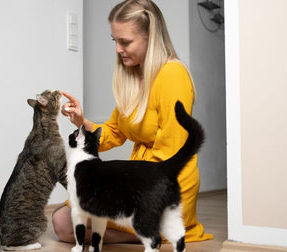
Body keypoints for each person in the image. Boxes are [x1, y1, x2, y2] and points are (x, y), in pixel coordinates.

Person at [52, 0, 213, 244]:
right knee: (64, 220)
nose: (117, 49)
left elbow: (172, 151)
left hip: (161, 181)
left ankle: (152, 229)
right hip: (138, 178)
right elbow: (114, 132)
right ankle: (148, 233)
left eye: (125, 41)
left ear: (151, 37)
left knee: (67, 221)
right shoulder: (133, 77)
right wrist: (82, 121)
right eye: (114, 40)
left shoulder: (172, 75)